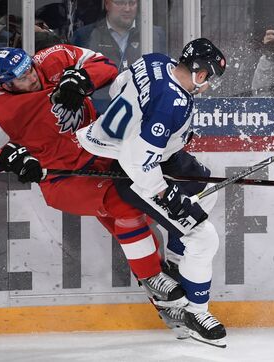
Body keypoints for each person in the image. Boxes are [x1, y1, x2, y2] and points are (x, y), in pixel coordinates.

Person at [0, 45, 188, 317]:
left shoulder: (53, 58)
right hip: (64, 178)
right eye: (21, 77)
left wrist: (82, 79)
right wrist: (7, 159)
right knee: (125, 207)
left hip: (102, 152)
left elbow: (105, 64)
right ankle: (153, 276)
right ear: (6, 84)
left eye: (30, 68)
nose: (32, 77)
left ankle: (163, 298)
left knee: (132, 218)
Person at [76, 38, 228, 348]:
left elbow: (120, 87)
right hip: (132, 171)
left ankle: (174, 261)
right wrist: (166, 194)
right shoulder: (171, 103)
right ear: (199, 74)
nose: (208, 84)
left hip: (142, 154)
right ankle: (195, 312)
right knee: (203, 236)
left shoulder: (155, 60)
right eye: (209, 77)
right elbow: (139, 162)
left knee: (206, 190)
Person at [71, 0, 166, 73]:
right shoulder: (85, 36)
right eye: (120, 2)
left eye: (132, 3)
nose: (127, 9)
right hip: (102, 98)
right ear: (107, 4)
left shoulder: (155, 35)